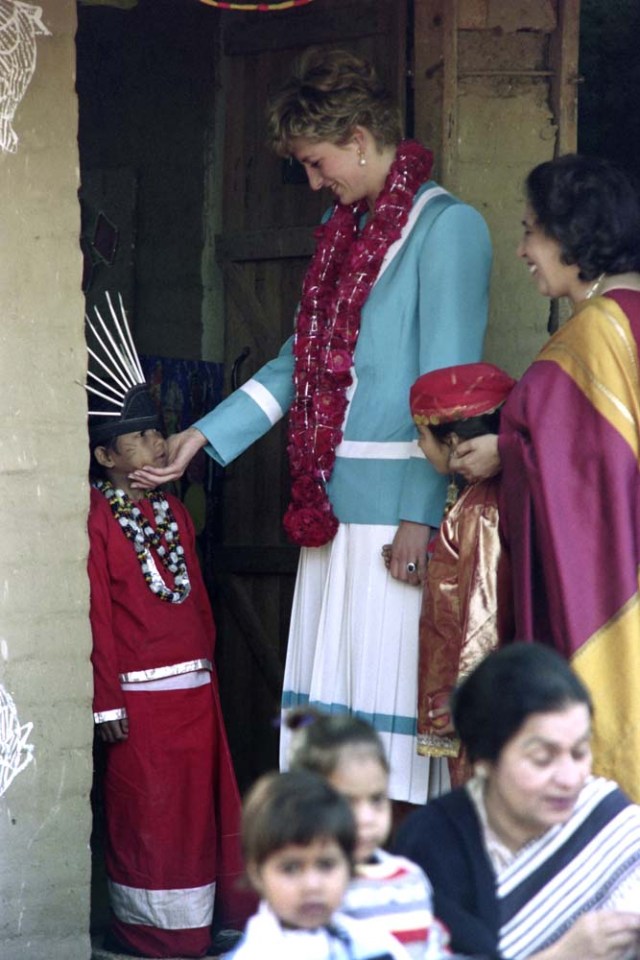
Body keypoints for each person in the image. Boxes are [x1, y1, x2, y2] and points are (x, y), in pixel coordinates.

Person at [129, 48, 492, 803]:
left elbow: (450, 392)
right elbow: (299, 362)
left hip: (397, 525)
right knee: (329, 756)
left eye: (317, 162)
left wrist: (423, 518)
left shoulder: (448, 228)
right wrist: (202, 438)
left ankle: (396, 904)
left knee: (390, 758)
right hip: (330, 521)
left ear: (360, 138)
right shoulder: (344, 229)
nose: (312, 181)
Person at [445, 154, 640, 802]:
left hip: (611, 610)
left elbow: (590, 482)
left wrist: (508, 445)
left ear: (569, 233)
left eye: (531, 230)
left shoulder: (593, 338)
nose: (524, 249)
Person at [86, 294, 250, 958]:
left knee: (194, 819)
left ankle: (199, 926)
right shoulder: (97, 521)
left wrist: (209, 677)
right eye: (143, 436)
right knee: (149, 818)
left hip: (193, 695)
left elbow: (200, 608)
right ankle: (150, 936)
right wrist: (105, 704)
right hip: (139, 703)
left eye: (160, 432)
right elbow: (97, 613)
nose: (160, 443)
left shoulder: (176, 515)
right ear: (105, 457)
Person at [394, 643, 640, 960]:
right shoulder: (433, 844)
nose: (569, 778)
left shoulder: (606, 816)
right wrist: (563, 955)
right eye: (541, 759)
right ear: (484, 760)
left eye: (579, 752)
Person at [405, 362, 515, 787]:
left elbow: (481, 611)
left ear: (451, 440)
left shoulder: (481, 510)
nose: (419, 446)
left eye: (421, 436)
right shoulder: (480, 496)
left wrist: (465, 695)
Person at [286, 709, 450, 960]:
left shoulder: (410, 880)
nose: (366, 818)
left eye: (376, 800)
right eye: (347, 802)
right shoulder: (300, 890)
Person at [228, 769, 411, 960]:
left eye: (326, 865)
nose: (312, 885)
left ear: (349, 866)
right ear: (256, 873)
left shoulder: (374, 947)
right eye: (290, 868)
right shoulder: (252, 954)